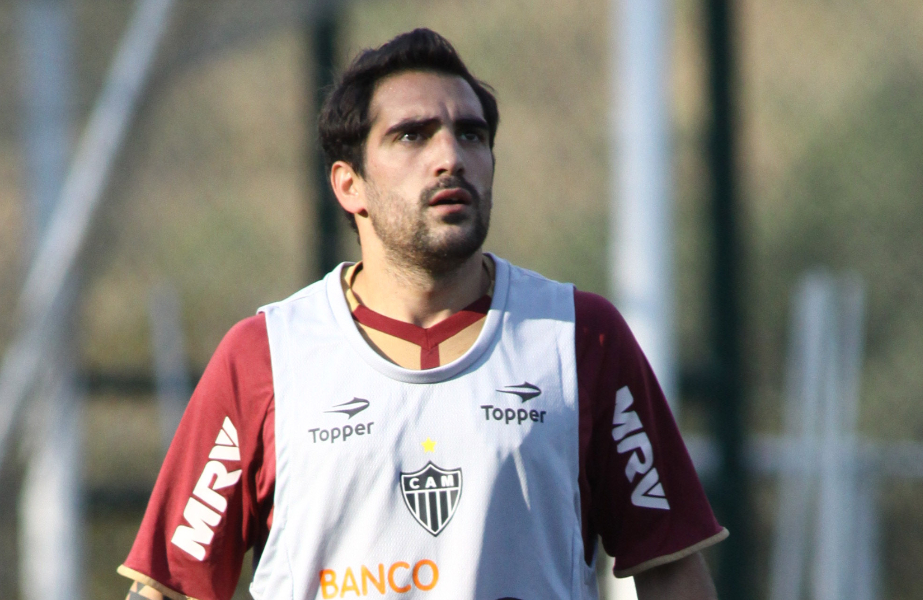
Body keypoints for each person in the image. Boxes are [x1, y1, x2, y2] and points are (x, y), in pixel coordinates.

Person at [119, 28, 727, 600]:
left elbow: (671, 568)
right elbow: (170, 585)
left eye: (470, 134)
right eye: (412, 135)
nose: (450, 157)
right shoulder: (265, 355)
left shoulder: (579, 337)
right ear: (348, 184)